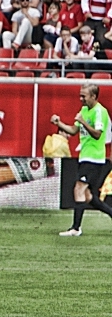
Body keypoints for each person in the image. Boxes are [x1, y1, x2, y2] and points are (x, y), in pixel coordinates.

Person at [52, 83, 112, 236]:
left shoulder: (100, 111)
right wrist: (59, 123)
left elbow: (98, 134)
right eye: (80, 95)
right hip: (85, 157)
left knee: (78, 189)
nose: (81, 99)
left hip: (94, 157)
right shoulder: (84, 110)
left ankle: (76, 228)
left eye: (83, 96)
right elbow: (73, 131)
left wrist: (83, 121)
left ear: (93, 96)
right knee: (88, 196)